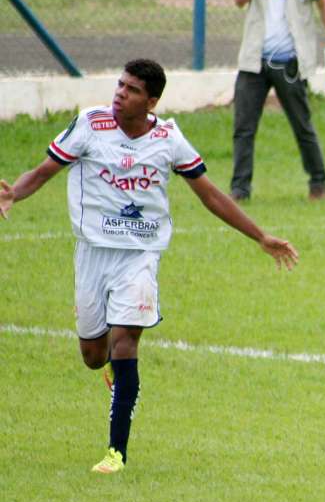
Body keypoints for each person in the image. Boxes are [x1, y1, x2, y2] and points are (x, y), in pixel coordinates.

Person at [0, 59, 299, 474]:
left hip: (140, 255)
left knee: (126, 340)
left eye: (132, 90)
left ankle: (116, 452)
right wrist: (14, 193)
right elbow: (44, 171)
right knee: (93, 355)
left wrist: (260, 236)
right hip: (93, 252)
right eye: (120, 85)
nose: (120, 93)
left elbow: (210, 195)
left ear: (151, 101)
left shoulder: (168, 139)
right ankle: (109, 366)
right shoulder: (89, 125)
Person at [230, 0, 325, 202]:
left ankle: (318, 182)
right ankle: (240, 190)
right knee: (243, 128)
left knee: (302, 124)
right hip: (253, 60)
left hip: (289, 60)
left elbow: (322, 1)